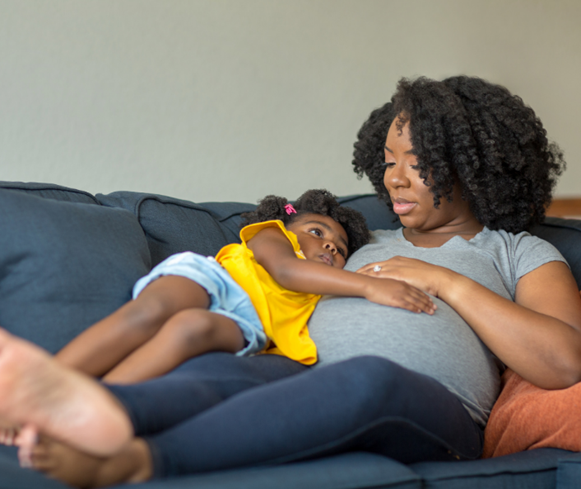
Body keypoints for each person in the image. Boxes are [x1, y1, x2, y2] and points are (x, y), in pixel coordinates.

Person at [1, 75, 581, 489]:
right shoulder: (357, 242)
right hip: (297, 368)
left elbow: (561, 361)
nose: (395, 180)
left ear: (473, 164)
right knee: (221, 370)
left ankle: (140, 462)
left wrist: (445, 283)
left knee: (368, 379)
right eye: (387, 160)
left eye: (417, 162)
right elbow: (273, 266)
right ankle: (74, 413)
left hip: (436, 411)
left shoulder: (517, 252)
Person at [53, 189, 433, 385]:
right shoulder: (274, 236)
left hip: (248, 326)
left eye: (339, 246)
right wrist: (368, 287)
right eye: (317, 232)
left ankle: (96, 401)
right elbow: (285, 272)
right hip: (214, 283)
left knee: (191, 330)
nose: (330, 244)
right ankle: (51, 380)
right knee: (152, 312)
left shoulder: (324, 292)